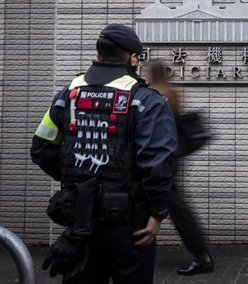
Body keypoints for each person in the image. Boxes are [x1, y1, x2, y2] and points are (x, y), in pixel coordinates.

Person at [31, 24, 178, 283]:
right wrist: (157, 213)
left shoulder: (67, 95)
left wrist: (78, 183)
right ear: (133, 58)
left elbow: (42, 149)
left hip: (79, 219)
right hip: (131, 223)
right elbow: (158, 163)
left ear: (99, 55)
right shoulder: (146, 101)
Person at [144, 59, 213, 276]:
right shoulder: (172, 91)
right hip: (173, 156)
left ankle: (202, 255)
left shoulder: (154, 93)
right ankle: (201, 254)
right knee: (175, 205)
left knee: (176, 207)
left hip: (159, 157)